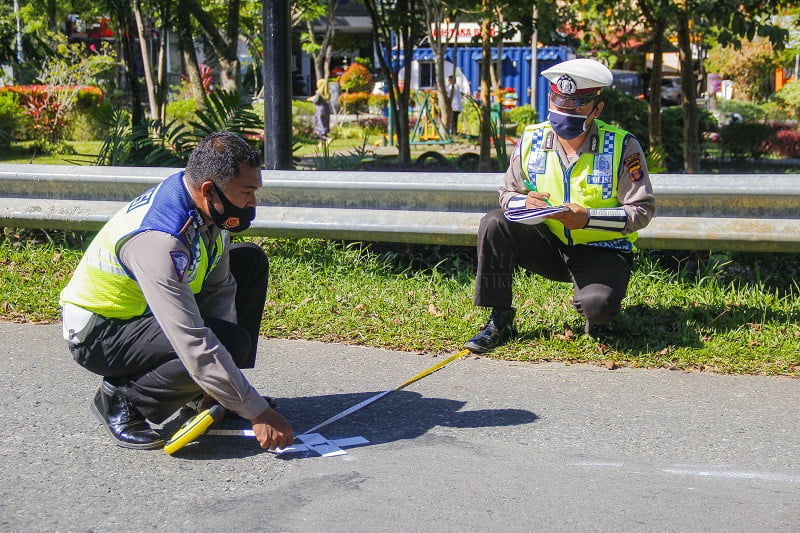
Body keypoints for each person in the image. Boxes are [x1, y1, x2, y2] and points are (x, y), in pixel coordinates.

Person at [59, 131, 294, 450]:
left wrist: (226, 388)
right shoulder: (159, 238)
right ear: (211, 190)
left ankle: (203, 388)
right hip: (102, 333)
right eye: (248, 191)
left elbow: (220, 289)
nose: (253, 202)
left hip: (147, 317)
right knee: (215, 344)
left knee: (248, 265)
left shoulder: (206, 206)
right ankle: (123, 399)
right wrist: (257, 411)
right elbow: (190, 338)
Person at [464, 58, 656, 353]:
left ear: (597, 108)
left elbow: (641, 211)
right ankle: (499, 318)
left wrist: (588, 219)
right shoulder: (531, 139)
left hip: (603, 249)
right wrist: (523, 202)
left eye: (575, 108)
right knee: (494, 222)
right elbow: (507, 192)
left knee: (597, 307)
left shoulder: (622, 145)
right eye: (557, 103)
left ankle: (599, 314)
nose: (563, 114)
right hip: (548, 244)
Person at [309, 78, 332, 146]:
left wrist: (310, 99)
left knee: (319, 125)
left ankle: (327, 138)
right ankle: (321, 143)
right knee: (324, 125)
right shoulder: (327, 93)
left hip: (320, 111)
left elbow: (316, 100)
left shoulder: (319, 93)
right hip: (326, 111)